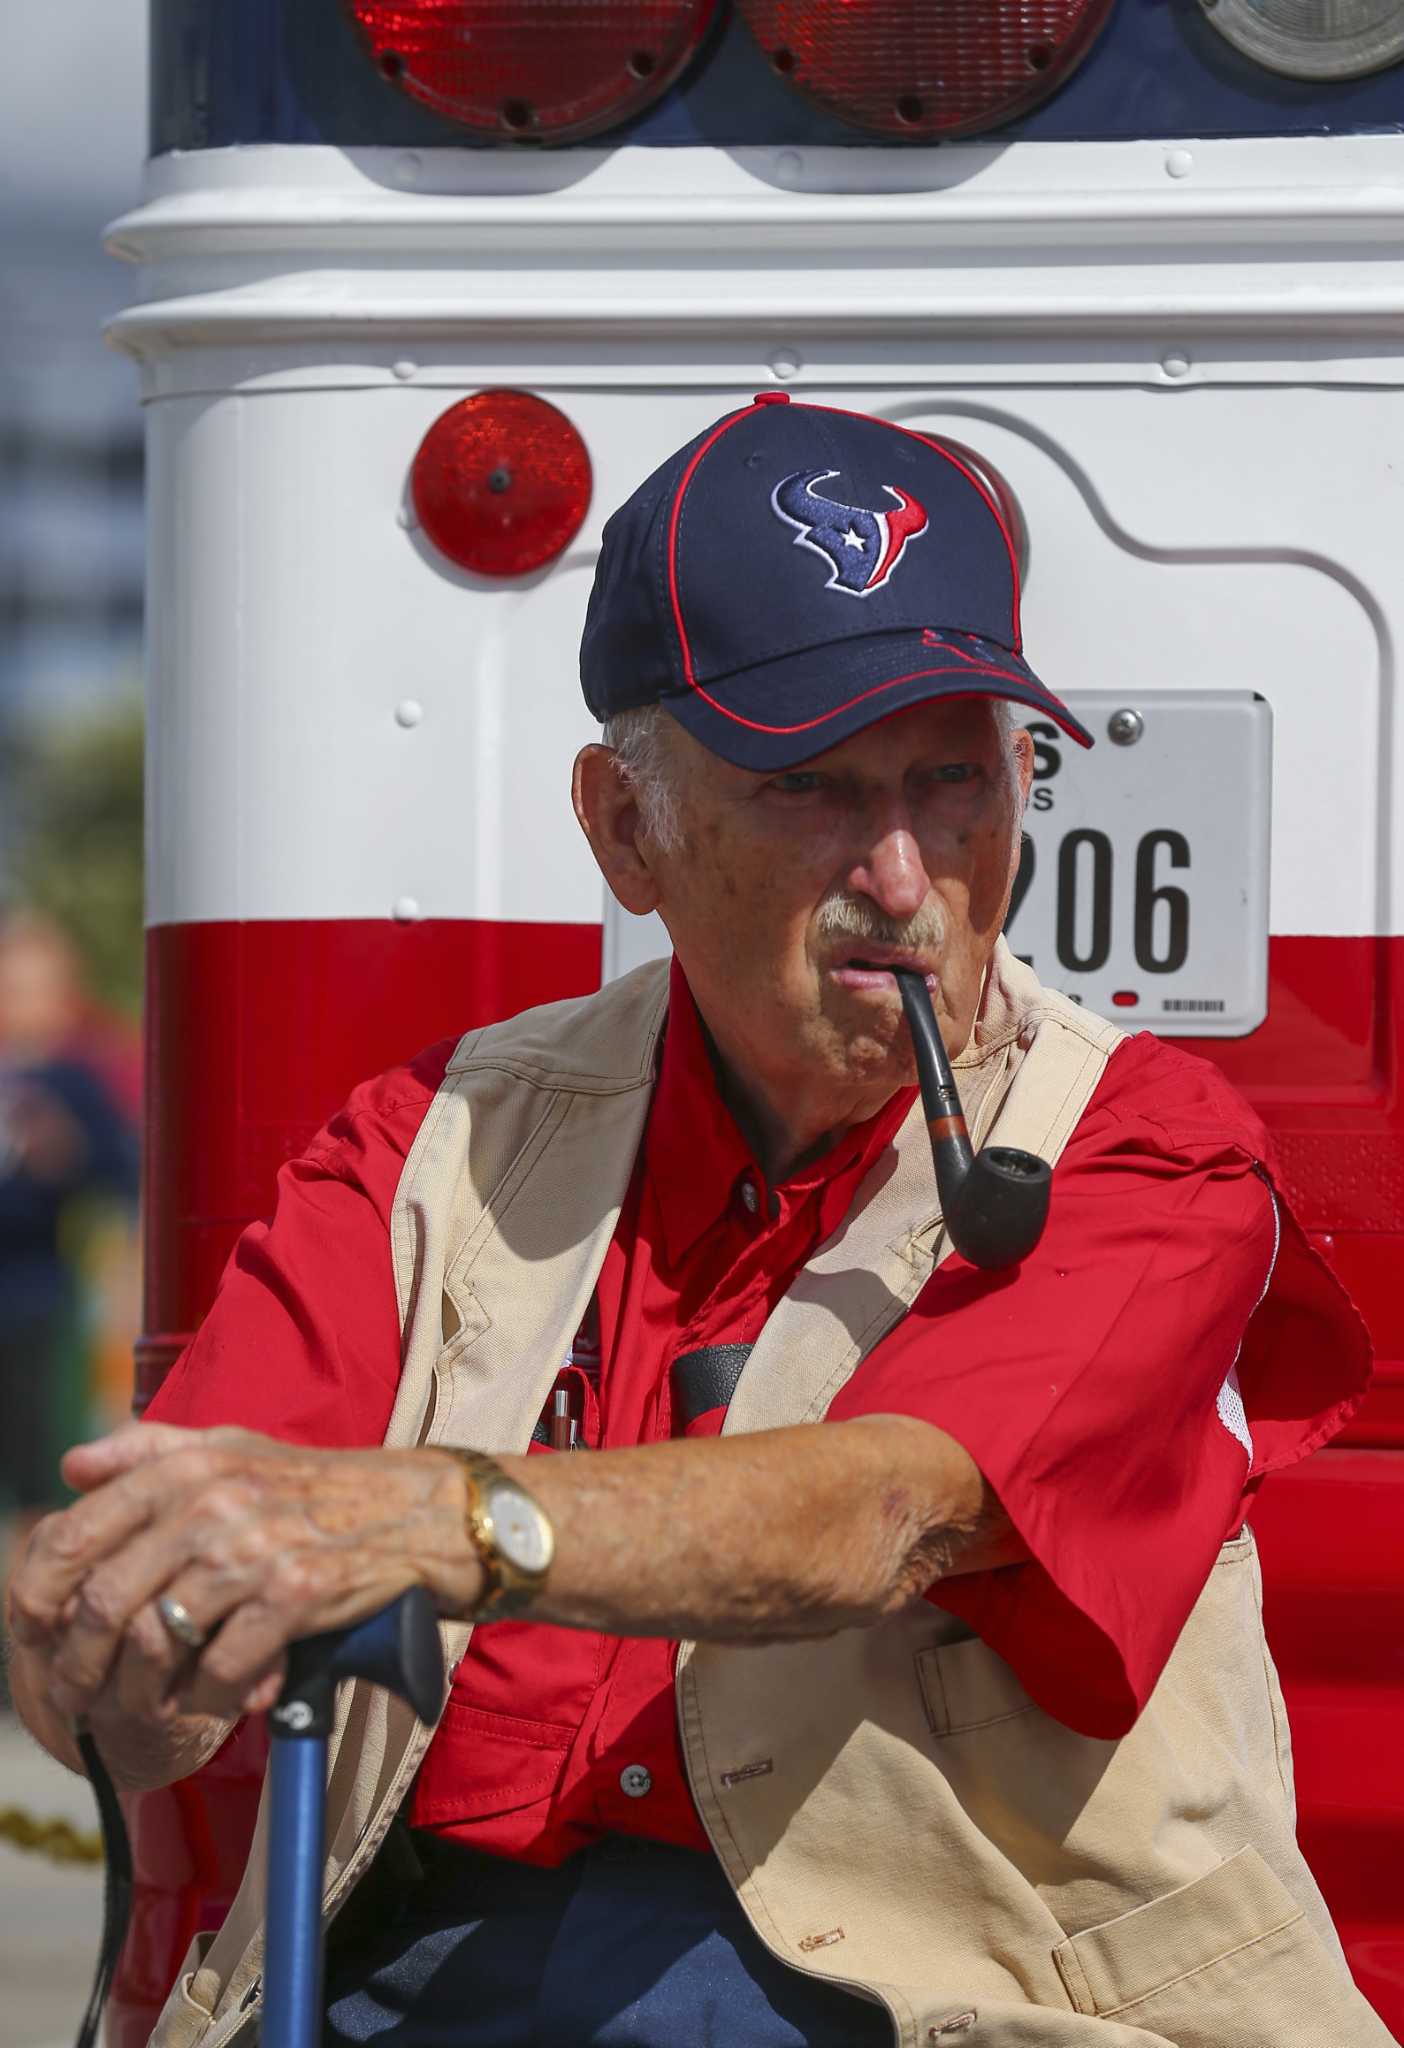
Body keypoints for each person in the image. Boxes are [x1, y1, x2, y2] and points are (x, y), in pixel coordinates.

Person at [5, 399, 1394, 2048]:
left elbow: (872, 1510)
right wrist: (116, 1648)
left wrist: (446, 1515)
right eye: (813, 786)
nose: (902, 872)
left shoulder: (1146, 1154)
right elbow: (154, 1632)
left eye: (956, 776)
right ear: (620, 827)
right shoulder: (428, 1137)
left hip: (940, 2000)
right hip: (418, 1959)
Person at [0, 911, 139, 1522]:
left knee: (37, 1445)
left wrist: (68, 1150)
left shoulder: (71, 1080)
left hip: (35, 1296)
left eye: (34, 989)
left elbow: (118, 1166)